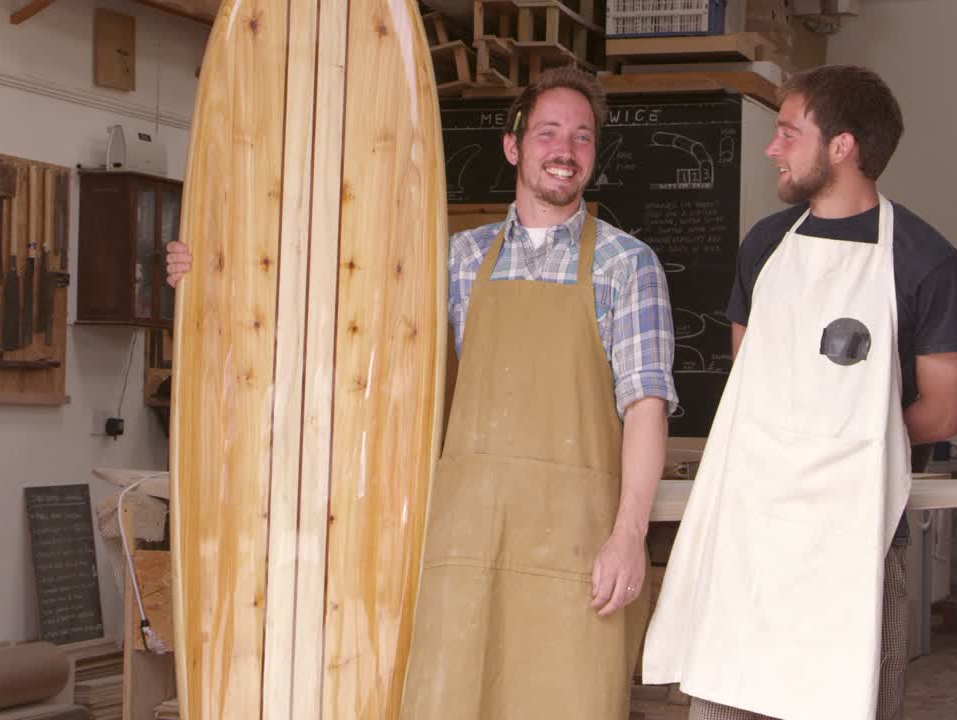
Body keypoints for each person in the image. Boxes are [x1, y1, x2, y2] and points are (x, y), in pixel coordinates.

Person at [165, 66, 678, 719]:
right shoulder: (457, 260)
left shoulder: (627, 264)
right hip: (465, 545)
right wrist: (215, 274)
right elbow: (341, 324)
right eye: (548, 132)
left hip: (577, 554)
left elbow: (645, 406)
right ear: (513, 145)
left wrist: (628, 536)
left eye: (581, 137)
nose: (565, 150)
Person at [641, 65, 957, 720]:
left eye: (788, 133)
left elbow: (942, 410)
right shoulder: (765, 246)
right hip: (751, 534)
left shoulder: (925, 261)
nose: (773, 148)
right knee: (728, 700)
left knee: (846, 698)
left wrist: (836, 442)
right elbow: (753, 376)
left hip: (859, 540)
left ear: (842, 146)